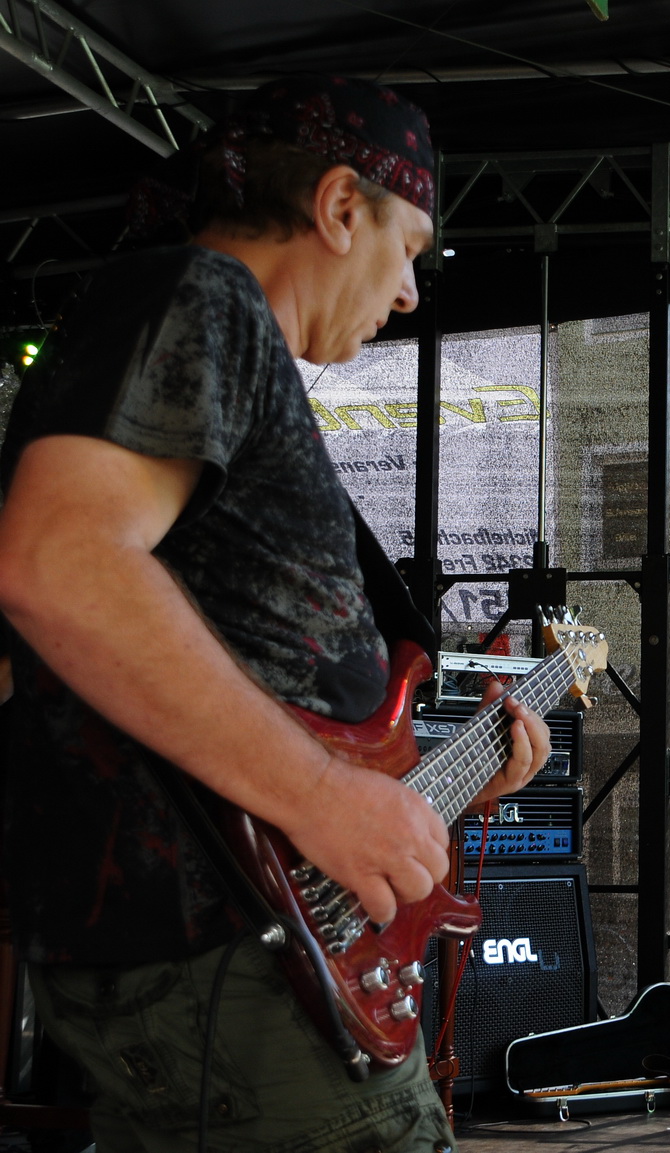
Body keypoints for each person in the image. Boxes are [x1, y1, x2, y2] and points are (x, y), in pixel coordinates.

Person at [0, 76, 550, 1153]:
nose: (408, 294)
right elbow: (56, 563)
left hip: (231, 951)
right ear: (342, 208)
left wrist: (427, 782)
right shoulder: (201, 297)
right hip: (238, 958)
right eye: (409, 250)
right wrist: (318, 796)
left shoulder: (204, 327)